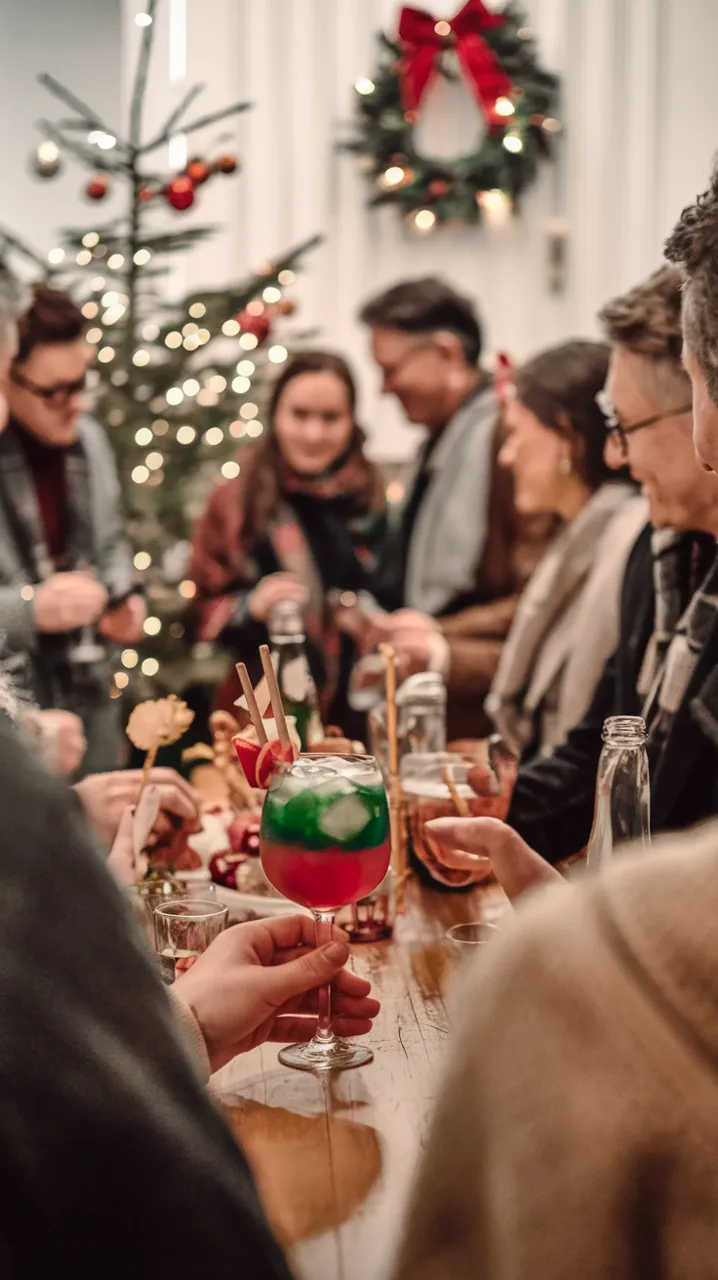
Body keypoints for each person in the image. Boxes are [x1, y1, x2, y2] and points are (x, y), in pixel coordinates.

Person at [438, 264, 718, 868]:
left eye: (624, 426)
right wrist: (487, 809)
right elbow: (599, 746)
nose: (615, 452)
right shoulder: (661, 553)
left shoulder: (636, 536)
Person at [359, 277, 550, 740]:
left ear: (446, 352)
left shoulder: (509, 441)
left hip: (485, 721)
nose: (384, 388)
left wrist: (435, 633)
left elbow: (541, 594)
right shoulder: (435, 443)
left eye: (391, 369)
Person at [189, 350, 386, 736]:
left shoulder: (372, 493)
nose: (314, 434)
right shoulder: (237, 496)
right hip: (262, 720)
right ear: (275, 414)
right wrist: (251, 605)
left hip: (361, 714)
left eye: (330, 418)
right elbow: (198, 609)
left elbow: (394, 593)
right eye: (299, 415)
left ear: (352, 420)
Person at [0, 284, 145, 776]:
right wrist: (32, 609)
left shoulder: (91, 442)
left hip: (91, 699)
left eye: (81, 383)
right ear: (6, 375)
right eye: (53, 392)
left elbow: (110, 546)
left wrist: (121, 596)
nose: (76, 404)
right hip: (18, 716)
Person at [485, 340, 646, 759]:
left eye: (517, 433)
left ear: (565, 435)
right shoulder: (580, 533)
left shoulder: (626, 538)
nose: (506, 456)